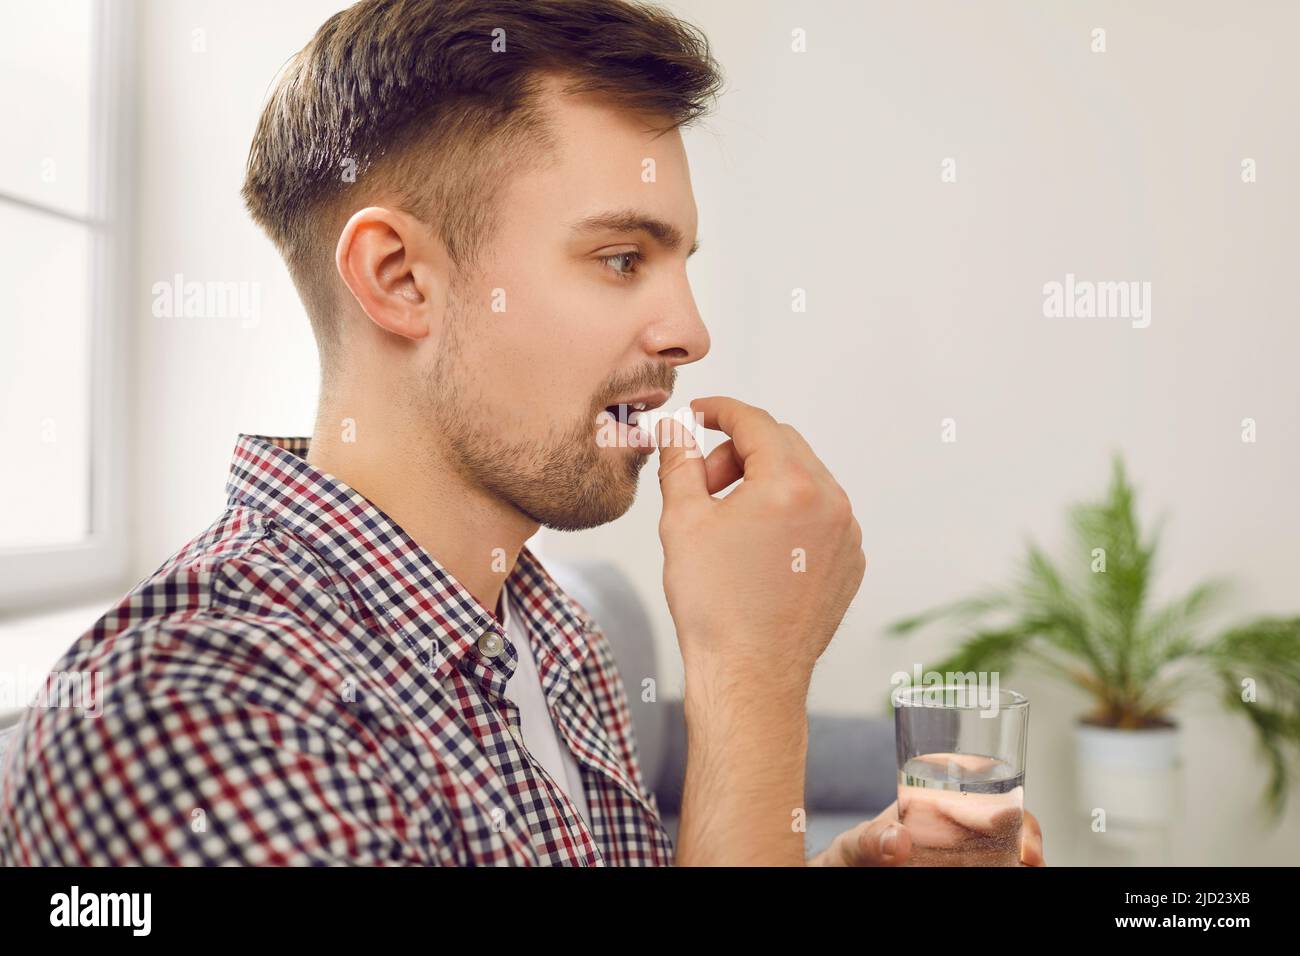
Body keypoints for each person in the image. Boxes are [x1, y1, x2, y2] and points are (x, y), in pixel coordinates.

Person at [0, 0, 1042, 866]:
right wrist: (749, 676)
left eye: (677, 261)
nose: (689, 331)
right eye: (622, 258)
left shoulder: (547, 629)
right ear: (401, 279)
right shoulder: (186, 715)